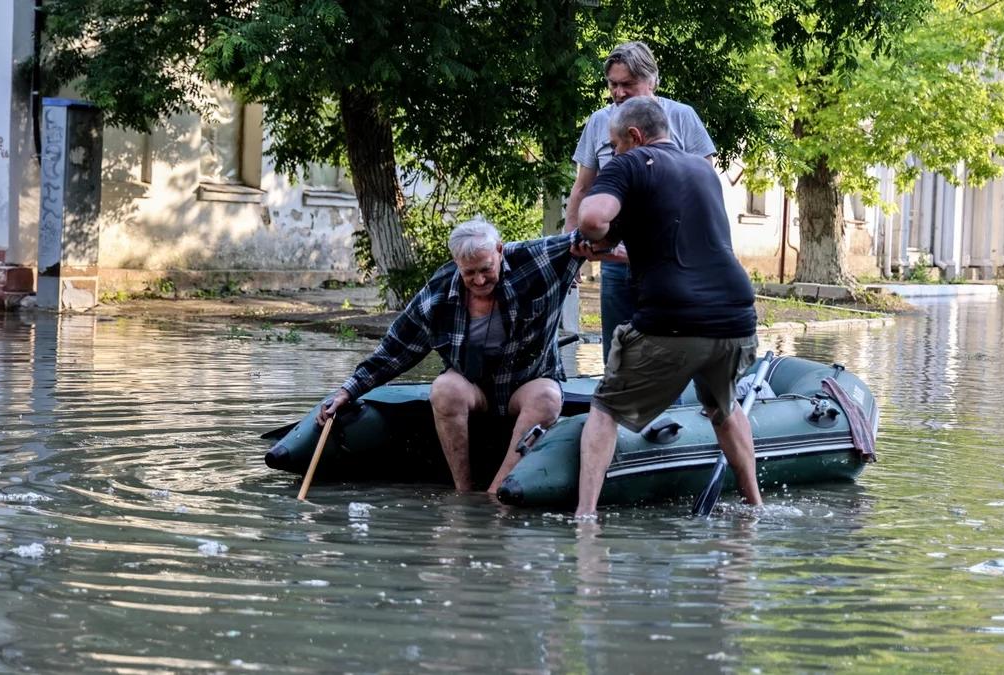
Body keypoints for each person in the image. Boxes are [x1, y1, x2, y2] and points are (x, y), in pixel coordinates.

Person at [571, 97, 760, 517]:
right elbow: (677, 243)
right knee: (722, 408)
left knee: (604, 408)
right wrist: (616, 249)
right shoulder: (702, 171)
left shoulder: (631, 163)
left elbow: (594, 219)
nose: (614, 153)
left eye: (616, 144)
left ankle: (585, 519)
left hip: (674, 319)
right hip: (736, 318)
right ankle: (754, 506)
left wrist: (589, 227)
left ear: (635, 137)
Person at [317, 218, 584, 493]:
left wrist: (623, 251)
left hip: (528, 382)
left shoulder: (534, 258)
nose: (479, 280)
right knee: (444, 388)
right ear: (456, 263)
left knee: (548, 397)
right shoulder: (437, 294)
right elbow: (395, 350)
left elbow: (589, 236)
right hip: (473, 387)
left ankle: (496, 494)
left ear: (500, 251)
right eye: (470, 273)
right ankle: (463, 492)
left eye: (486, 269)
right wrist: (347, 391)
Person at [564, 41, 717, 361]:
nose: (618, 93)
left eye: (628, 84)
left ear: (652, 81)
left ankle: (669, 408)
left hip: (670, 260)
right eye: (613, 84)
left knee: (668, 352)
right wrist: (570, 248)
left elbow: (704, 188)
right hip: (616, 259)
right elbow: (582, 189)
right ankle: (616, 406)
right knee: (618, 353)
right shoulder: (598, 122)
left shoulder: (682, 117)